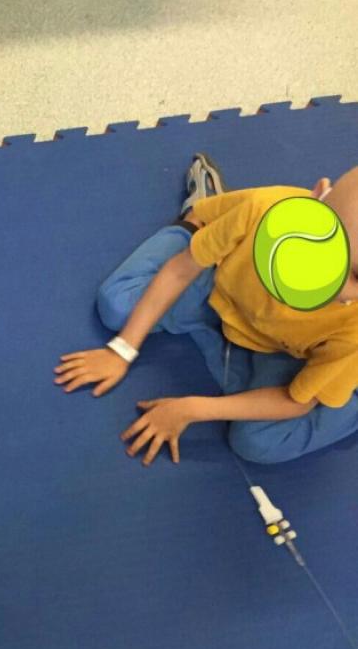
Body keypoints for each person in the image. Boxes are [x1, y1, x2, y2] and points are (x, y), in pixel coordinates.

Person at [57, 155, 358, 466]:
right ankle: (194, 222)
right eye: (326, 244)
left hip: (280, 351)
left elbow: (297, 402)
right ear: (318, 196)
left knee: (259, 443)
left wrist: (191, 409)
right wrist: (122, 350)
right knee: (118, 305)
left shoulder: (352, 330)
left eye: (355, 275)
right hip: (222, 294)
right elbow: (181, 269)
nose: (326, 277)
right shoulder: (266, 209)